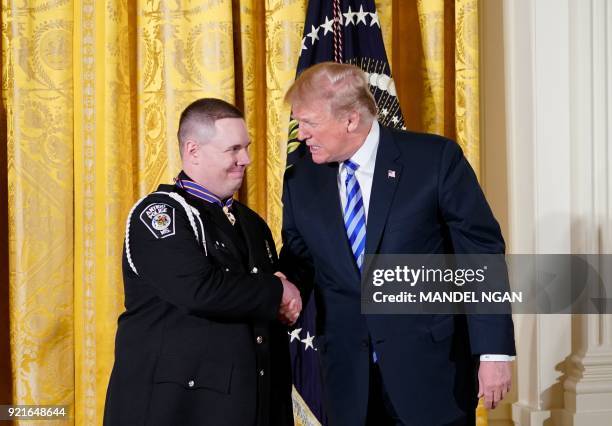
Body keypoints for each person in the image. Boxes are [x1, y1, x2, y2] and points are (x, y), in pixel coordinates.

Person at [279, 62, 516, 425]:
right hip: (347, 377)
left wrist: (494, 352)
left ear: (350, 119)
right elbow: (300, 256)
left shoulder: (434, 160)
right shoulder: (300, 179)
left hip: (431, 371)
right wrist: (285, 282)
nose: (301, 134)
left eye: (309, 123)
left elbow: (480, 254)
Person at [104, 98, 301, 426]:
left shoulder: (251, 223)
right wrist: (276, 290)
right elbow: (199, 290)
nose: (246, 159)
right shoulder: (160, 214)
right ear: (193, 150)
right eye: (233, 149)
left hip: (248, 405)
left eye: (247, 147)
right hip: (179, 410)